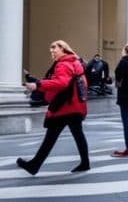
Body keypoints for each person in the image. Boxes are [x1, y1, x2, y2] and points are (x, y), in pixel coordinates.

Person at [17, 40, 90, 174]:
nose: (52, 53)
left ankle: (34, 165)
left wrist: (38, 85)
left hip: (64, 107)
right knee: (78, 134)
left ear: (63, 49)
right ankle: (85, 163)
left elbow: (61, 83)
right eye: (51, 51)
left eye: (54, 49)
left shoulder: (63, 64)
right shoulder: (74, 62)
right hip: (75, 105)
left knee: (50, 138)